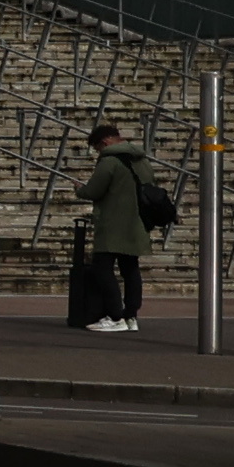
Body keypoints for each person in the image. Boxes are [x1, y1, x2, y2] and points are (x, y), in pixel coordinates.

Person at [76, 120, 154, 333]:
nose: (98, 152)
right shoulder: (141, 160)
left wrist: (80, 189)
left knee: (102, 268)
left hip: (113, 224)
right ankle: (131, 316)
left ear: (104, 142)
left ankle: (115, 315)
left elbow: (94, 191)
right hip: (137, 222)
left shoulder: (109, 161)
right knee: (130, 269)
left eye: (97, 147)